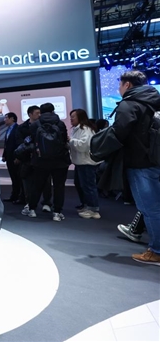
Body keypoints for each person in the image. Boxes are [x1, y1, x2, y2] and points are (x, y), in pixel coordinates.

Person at [103, 70, 160, 265]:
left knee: (149, 208)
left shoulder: (129, 104)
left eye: (120, 85)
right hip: (156, 159)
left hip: (140, 162)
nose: (119, 89)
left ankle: (156, 251)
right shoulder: (155, 101)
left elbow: (119, 132)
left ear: (127, 85)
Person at [22, 102, 70, 221]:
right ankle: (57, 212)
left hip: (40, 160)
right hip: (59, 161)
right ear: (53, 111)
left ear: (41, 112)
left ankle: (32, 210)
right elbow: (64, 140)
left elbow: (33, 141)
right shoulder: (60, 123)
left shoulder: (35, 124)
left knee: (37, 186)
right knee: (59, 187)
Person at [15, 105, 52, 207]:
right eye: (37, 113)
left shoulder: (45, 125)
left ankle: (47, 202)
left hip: (42, 158)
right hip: (27, 158)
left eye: (40, 113)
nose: (39, 115)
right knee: (27, 182)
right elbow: (19, 142)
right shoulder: (22, 127)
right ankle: (29, 203)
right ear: (30, 114)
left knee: (46, 182)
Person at [69, 108, 101, 219]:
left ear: (80, 117)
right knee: (81, 184)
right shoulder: (78, 129)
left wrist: (70, 141)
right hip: (80, 162)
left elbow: (83, 146)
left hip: (86, 162)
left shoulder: (86, 129)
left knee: (88, 186)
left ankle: (93, 209)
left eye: (73, 117)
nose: (71, 119)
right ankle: (87, 205)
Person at [2, 112, 23, 202]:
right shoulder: (8, 129)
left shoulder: (18, 129)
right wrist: (4, 155)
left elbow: (19, 144)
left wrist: (18, 157)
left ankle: (19, 196)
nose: (5, 120)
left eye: (6, 118)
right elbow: (6, 144)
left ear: (12, 119)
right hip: (9, 157)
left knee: (17, 177)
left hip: (15, 157)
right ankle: (14, 195)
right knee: (13, 177)